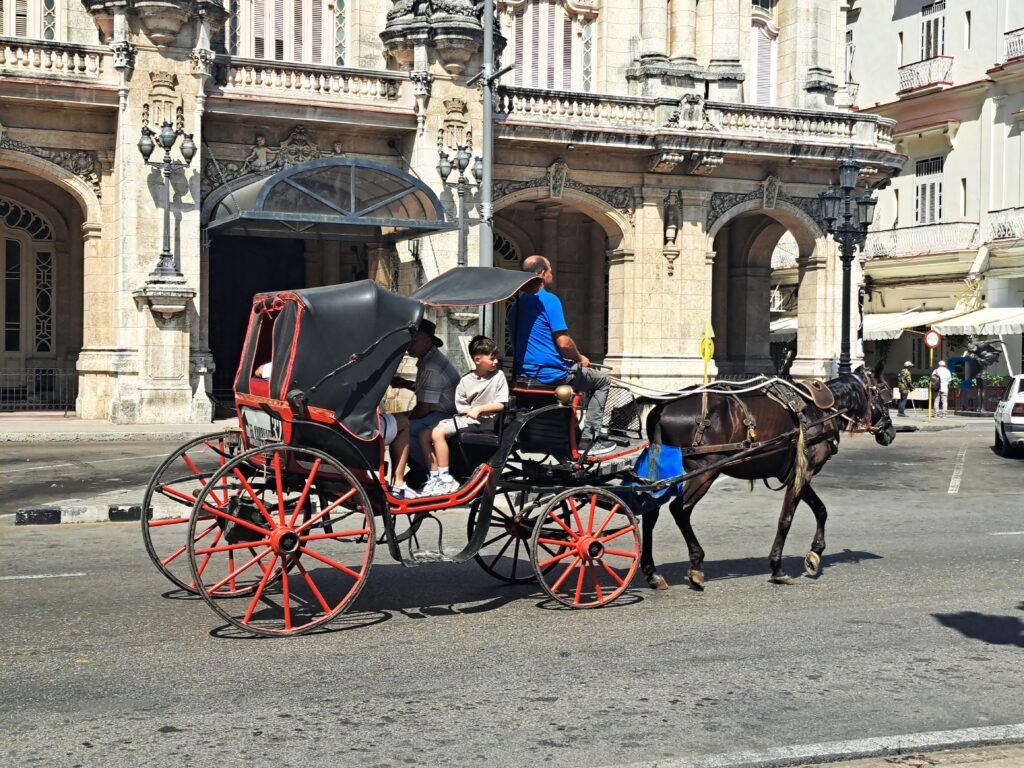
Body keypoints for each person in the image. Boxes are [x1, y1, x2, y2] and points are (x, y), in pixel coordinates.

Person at [254, 362, 419, 498]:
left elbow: (259, 371)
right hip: (336, 428)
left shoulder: (289, 364)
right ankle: (398, 482)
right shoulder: (340, 363)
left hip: (297, 424)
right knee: (403, 422)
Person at [511, 254, 615, 455]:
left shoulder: (515, 305)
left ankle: (570, 432)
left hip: (525, 373)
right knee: (602, 381)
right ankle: (589, 439)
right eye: (550, 271)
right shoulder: (548, 300)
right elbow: (564, 343)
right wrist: (580, 358)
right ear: (542, 274)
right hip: (550, 374)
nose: (552, 275)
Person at [419, 335, 509, 495]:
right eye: (492, 358)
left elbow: (501, 404)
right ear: (477, 359)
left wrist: (480, 409)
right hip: (465, 419)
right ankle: (435, 477)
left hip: (484, 422)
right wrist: (469, 411)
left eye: (496, 358)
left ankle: (446, 478)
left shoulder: (498, 376)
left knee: (437, 432)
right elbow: (461, 407)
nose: (495, 362)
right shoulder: (465, 380)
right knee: (424, 435)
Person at [392, 318, 460, 462]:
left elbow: (423, 409)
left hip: (444, 414)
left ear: (427, 342)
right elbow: (427, 390)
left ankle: (424, 468)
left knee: (402, 430)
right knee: (393, 421)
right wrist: (405, 384)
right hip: (437, 410)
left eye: (414, 341)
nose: (409, 345)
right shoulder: (429, 359)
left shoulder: (431, 366)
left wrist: (403, 422)